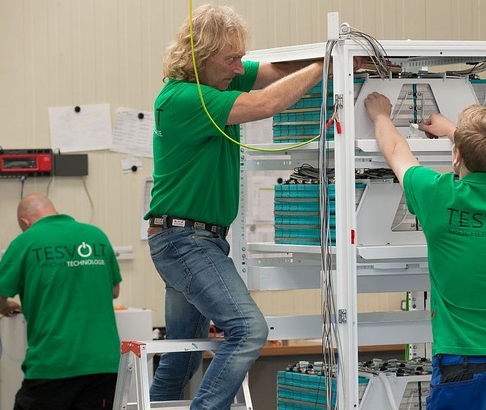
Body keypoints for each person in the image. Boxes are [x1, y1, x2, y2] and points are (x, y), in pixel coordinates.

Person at [144, 4, 340, 409]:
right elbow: (266, 103)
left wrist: (336, 54)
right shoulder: (186, 97)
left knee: (182, 357)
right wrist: (326, 65)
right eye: (230, 59)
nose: (239, 68)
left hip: (197, 240)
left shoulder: (217, 81)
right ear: (199, 58)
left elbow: (274, 72)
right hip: (186, 241)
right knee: (249, 330)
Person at [365, 92, 486, 409]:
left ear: (456, 156)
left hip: (461, 368)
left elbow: (396, 150)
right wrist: (458, 133)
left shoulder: (437, 194)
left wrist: (381, 115)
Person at [0, 193, 122, 409]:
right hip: (104, 364)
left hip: (53, 362)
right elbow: (114, 290)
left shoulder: (26, 241)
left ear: (25, 222)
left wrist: (5, 306)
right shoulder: (96, 236)